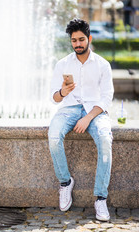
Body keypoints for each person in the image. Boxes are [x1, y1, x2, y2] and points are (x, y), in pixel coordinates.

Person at [48, 18, 114, 221]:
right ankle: (65, 182)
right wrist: (62, 91)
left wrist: (88, 118)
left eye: (81, 39)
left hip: (95, 111)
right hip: (68, 109)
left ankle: (101, 198)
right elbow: (54, 98)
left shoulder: (103, 65)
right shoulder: (63, 64)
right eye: (74, 40)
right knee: (53, 135)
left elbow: (106, 98)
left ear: (89, 39)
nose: (77, 44)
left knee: (105, 139)